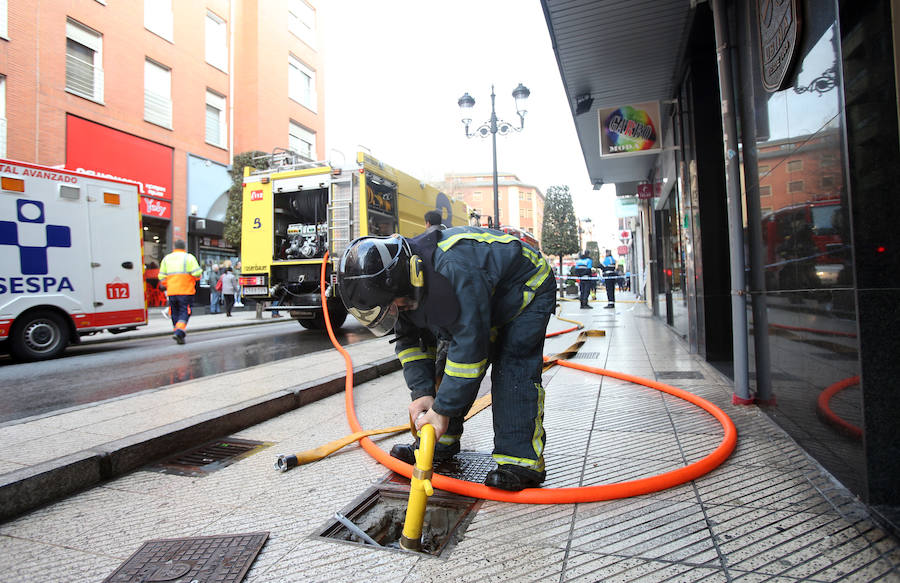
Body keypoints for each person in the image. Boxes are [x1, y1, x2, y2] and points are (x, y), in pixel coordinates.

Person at [338, 226, 556, 491]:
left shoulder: (452, 270)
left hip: (524, 289)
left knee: (513, 373)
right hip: (482, 295)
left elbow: (470, 352)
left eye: (394, 306)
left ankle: (521, 462)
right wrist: (422, 393)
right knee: (445, 369)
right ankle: (441, 441)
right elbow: (411, 344)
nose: (396, 311)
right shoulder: (398, 286)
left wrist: (442, 410)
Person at [158, 240, 202, 344]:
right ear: (184, 247)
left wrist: (167, 285)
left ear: (174, 247)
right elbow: (197, 273)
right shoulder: (189, 257)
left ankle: (178, 334)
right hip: (186, 290)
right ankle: (178, 332)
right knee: (184, 312)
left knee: (175, 313)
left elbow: (161, 276)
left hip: (172, 291)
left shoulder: (166, 259)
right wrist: (194, 278)